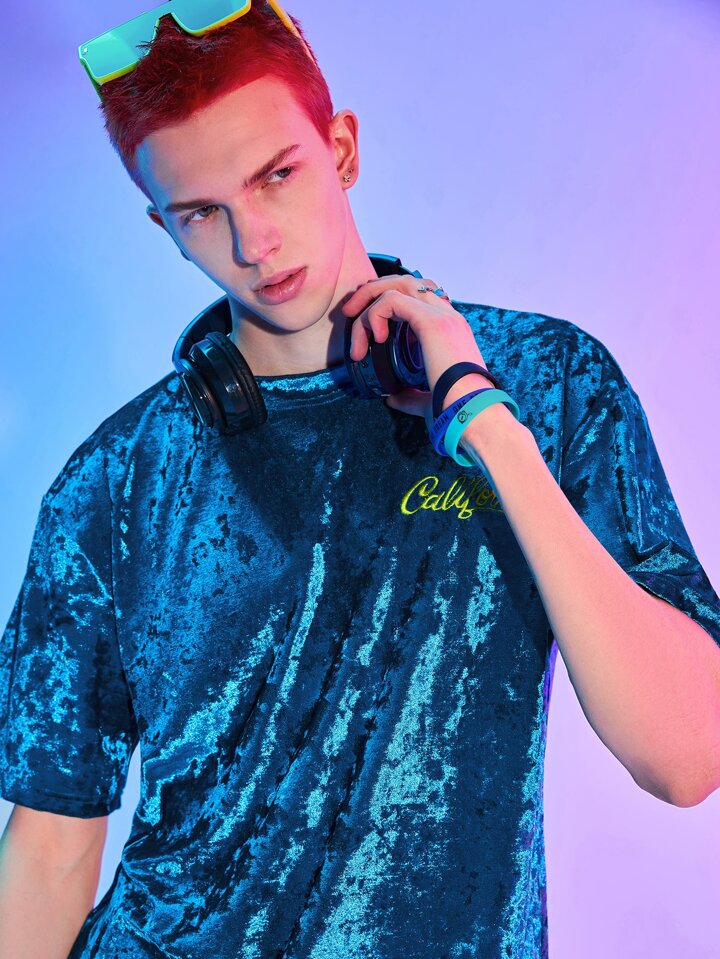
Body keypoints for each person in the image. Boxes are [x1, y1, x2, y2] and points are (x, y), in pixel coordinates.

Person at [1, 2, 719, 957]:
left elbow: (686, 756)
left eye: (276, 175)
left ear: (340, 149)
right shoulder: (114, 480)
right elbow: (52, 843)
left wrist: (483, 421)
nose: (254, 242)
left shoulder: (548, 383)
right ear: (163, 227)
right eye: (202, 212)